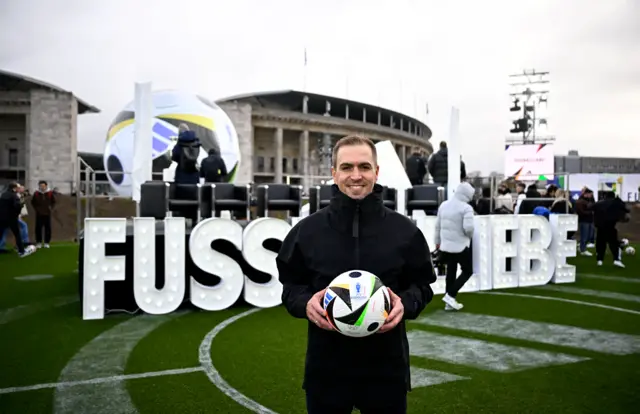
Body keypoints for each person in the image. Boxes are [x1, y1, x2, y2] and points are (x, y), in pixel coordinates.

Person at [276, 135, 437, 414]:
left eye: (364, 167)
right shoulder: (307, 231)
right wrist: (305, 303)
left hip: (387, 372)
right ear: (334, 173)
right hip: (326, 371)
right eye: (347, 167)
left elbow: (423, 285)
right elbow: (290, 287)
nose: (356, 175)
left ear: (376, 171)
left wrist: (406, 303)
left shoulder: (406, 232)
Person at [434, 181, 475, 311]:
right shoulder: (466, 208)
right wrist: (469, 236)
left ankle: (449, 301)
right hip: (460, 245)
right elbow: (468, 228)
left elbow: (437, 226)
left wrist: (437, 241)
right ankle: (451, 295)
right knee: (468, 270)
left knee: (451, 271)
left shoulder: (444, 205)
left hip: (446, 245)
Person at [593, 191, 629, 268]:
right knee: (614, 244)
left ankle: (600, 260)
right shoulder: (616, 203)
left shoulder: (599, 203)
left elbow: (591, 207)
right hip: (610, 226)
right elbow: (626, 209)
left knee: (600, 244)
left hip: (600, 227)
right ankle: (616, 260)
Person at [0, 182, 36, 257]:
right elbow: (17, 207)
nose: (18, 189)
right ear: (14, 188)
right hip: (11, 218)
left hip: (2, 217)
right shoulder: (14, 196)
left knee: (1, 233)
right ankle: (21, 251)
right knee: (17, 234)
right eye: (17, 188)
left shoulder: (3, 194)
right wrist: (21, 204)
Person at [31, 180, 55, 248]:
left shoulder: (50, 193)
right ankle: (38, 242)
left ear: (46, 186)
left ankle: (46, 242)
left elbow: (53, 202)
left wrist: (51, 208)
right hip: (39, 214)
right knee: (38, 228)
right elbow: (33, 202)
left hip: (47, 213)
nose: (42, 187)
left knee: (48, 228)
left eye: (43, 186)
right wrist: (37, 209)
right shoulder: (36, 193)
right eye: (41, 186)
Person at [575, 188, 595, 256]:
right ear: (586, 194)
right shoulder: (580, 201)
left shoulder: (590, 200)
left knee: (590, 235)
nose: (591, 196)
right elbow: (580, 212)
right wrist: (590, 212)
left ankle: (582, 247)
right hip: (584, 221)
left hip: (590, 220)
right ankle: (583, 250)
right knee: (584, 236)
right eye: (590, 194)